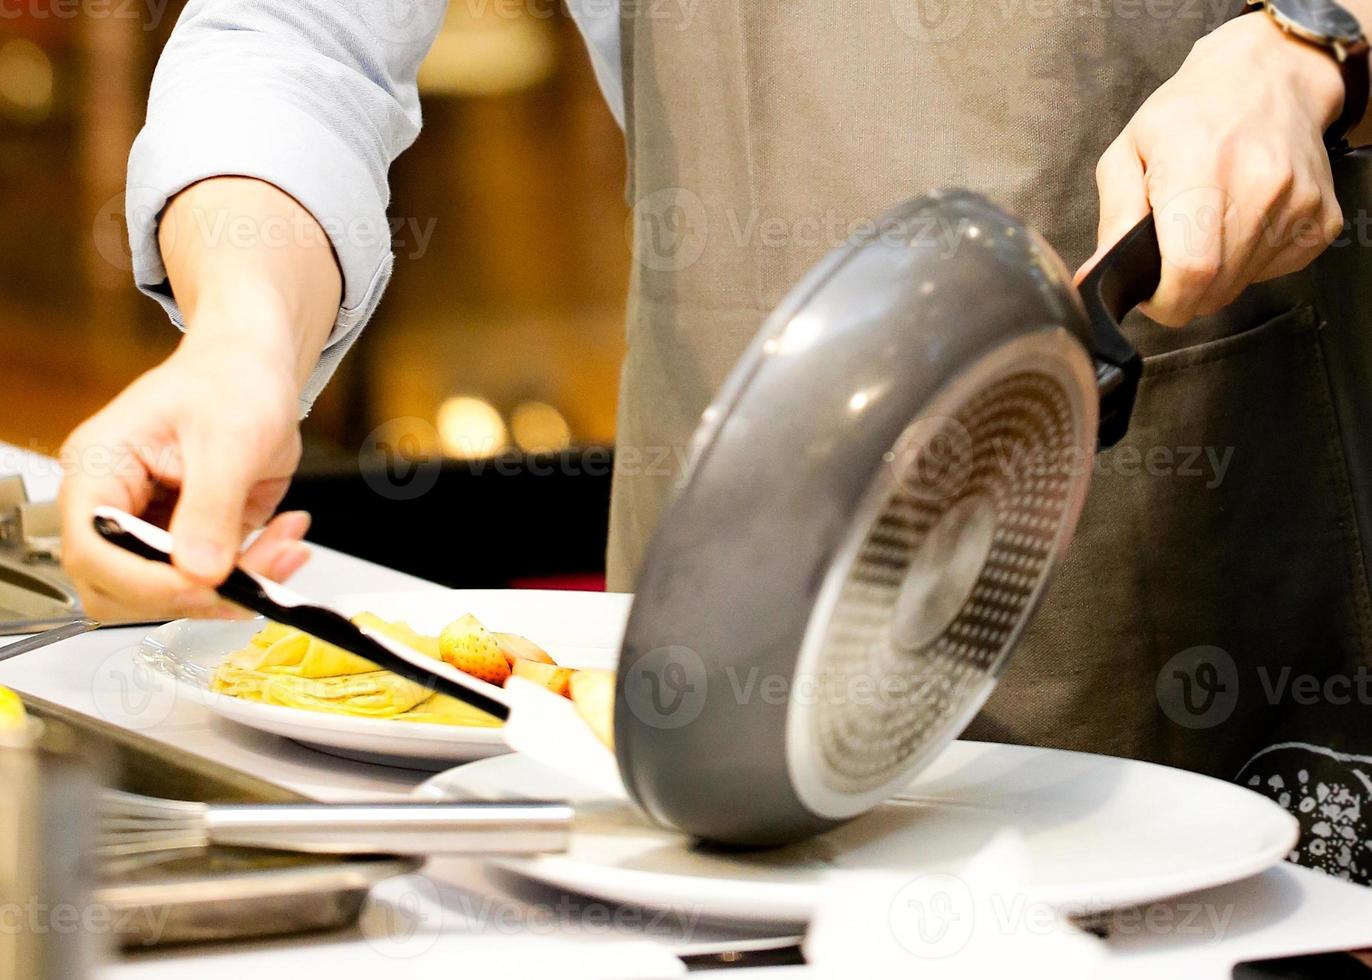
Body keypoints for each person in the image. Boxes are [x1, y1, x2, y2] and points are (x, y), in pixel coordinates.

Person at [58, 0, 1372, 875]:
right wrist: (241, 335)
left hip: (1202, 517)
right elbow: (298, 38)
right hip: (729, 537)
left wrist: (1317, 40)